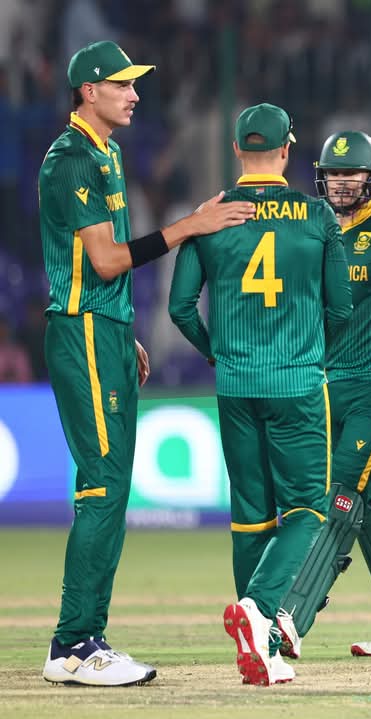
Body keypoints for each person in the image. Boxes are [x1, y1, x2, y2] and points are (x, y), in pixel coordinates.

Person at [39, 40, 255, 687]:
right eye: (122, 84)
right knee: (102, 487)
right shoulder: (74, 158)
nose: (135, 95)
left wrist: (123, 329)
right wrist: (192, 224)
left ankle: (86, 638)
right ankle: (73, 645)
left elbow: (97, 267)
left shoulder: (104, 152)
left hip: (102, 330)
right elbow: (105, 262)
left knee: (110, 488)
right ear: (89, 92)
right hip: (82, 331)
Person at [168, 103, 353, 685]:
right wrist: (310, 353)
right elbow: (341, 308)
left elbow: (180, 307)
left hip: (235, 385)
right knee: (307, 510)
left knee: (251, 517)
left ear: (236, 150)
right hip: (297, 382)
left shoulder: (210, 217)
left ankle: (261, 648)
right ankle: (258, 612)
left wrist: (215, 352)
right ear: (287, 150)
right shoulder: (317, 215)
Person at [277, 130, 371, 659]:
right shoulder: (315, 233)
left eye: (352, 173)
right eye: (334, 173)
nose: (342, 182)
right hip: (321, 387)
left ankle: (292, 616)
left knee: (341, 494)